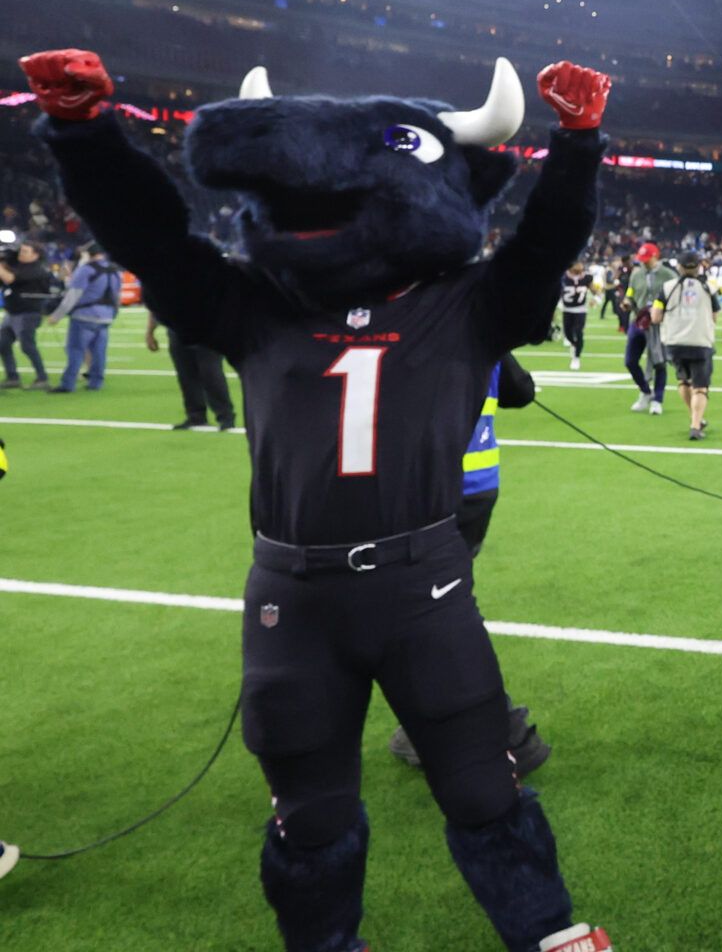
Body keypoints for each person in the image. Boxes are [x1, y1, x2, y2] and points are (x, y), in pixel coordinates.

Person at [22, 47, 614, 952]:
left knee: (485, 793)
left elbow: (546, 243)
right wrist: (82, 135)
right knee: (312, 818)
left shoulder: (467, 304)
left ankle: (544, 933)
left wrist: (579, 145)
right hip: (294, 598)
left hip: (423, 585)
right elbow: (151, 240)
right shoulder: (257, 303)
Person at [392, 353, 551, 776]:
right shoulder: (477, 322)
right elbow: (523, 390)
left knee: (433, 616)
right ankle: (423, 725)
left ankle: (506, 733)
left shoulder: (425, 327)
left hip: (436, 494)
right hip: (478, 489)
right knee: (430, 608)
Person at [657, 251, 719, 440]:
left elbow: (655, 315)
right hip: (700, 341)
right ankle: (695, 425)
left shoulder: (667, 287)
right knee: (700, 387)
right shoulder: (709, 287)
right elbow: (715, 315)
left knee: (683, 381)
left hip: (675, 341)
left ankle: (695, 418)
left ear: (679, 267)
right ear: (699, 266)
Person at [45, 242, 121, 393]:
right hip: (106, 315)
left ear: (88, 254)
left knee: (75, 350)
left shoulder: (86, 270)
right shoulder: (114, 270)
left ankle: (68, 384)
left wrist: (56, 316)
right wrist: (113, 314)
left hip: (84, 316)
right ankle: (96, 382)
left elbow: (73, 295)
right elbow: (116, 296)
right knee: (99, 352)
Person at [147, 307, 236, 431]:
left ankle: (226, 416)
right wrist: (150, 331)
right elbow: (154, 303)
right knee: (185, 375)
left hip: (208, 327)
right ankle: (196, 416)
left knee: (210, 373)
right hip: (177, 329)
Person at [0, 240, 56, 390]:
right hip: (12, 313)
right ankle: (12, 377)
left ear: (35, 255)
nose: (21, 254)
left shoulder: (38, 269)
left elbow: (11, 279)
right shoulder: (19, 265)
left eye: (25, 252)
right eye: (21, 251)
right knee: (2, 344)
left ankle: (42, 378)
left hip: (28, 313)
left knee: (27, 346)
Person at [624, 244, 672, 414]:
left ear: (655, 256)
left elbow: (674, 297)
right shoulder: (636, 274)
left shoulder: (668, 275)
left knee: (659, 362)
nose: (644, 263)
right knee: (630, 361)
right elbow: (630, 293)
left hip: (658, 324)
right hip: (638, 321)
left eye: (647, 259)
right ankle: (645, 391)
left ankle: (657, 399)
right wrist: (627, 302)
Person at [558, 260, 591, 370]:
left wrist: (596, 298)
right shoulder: (564, 277)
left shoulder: (587, 278)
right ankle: (573, 344)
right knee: (567, 333)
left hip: (580, 310)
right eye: (577, 264)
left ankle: (576, 357)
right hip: (567, 309)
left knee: (579, 332)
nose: (580, 267)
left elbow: (594, 289)